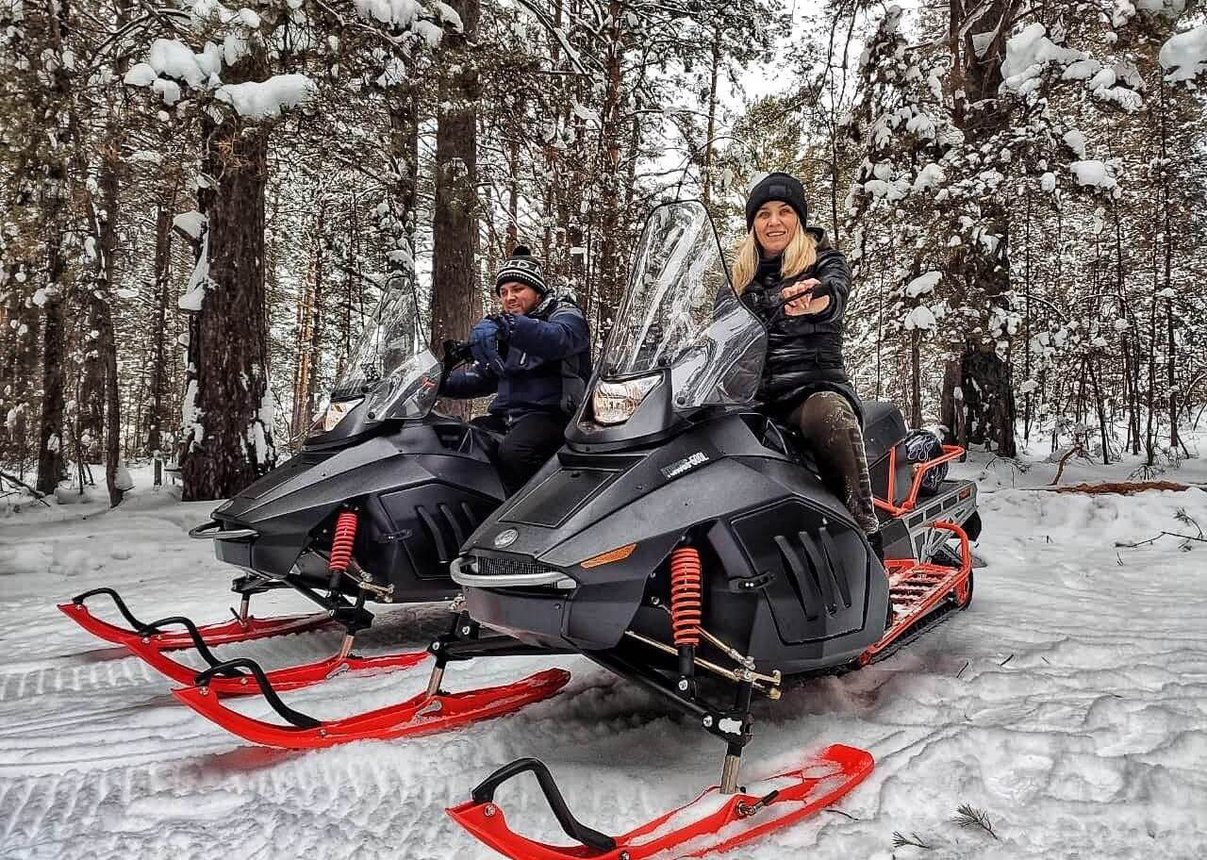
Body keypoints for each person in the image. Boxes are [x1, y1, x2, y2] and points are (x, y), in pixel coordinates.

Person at [731, 172, 882, 559]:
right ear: (753, 224)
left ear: (798, 219)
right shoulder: (738, 281)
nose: (774, 221)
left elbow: (834, 292)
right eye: (763, 213)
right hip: (750, 398)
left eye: (784, 211)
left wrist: (814, 299)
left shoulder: (823, 261)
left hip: (809, 390)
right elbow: (716, 331)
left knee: (829, 415)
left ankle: (866, 542)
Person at [442, 246, 592, 495]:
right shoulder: (507, 329)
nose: (509, 297)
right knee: (462, 443)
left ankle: (539, 514)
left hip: (553, 416)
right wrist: (437, 383)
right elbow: (485, 377)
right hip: (507, 417)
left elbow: (559, 339)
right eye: (503, 292)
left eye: (518, 289)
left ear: (537, 292)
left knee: (515, 453)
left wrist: (506, 326)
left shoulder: (565, 314)